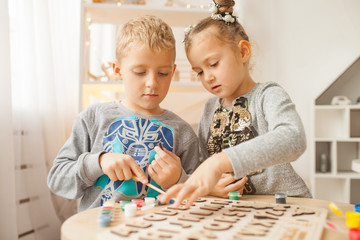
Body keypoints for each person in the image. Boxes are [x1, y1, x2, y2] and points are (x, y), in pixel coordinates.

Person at [160, 0, 311, 207]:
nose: (208, 77)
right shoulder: (209, 109)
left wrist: (219, 162)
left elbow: (293, 139)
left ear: (242, 52)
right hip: (237, 209)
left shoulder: (267, 95)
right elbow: (206, 168)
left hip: (285, 204)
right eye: (200, 72)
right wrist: (214, 185)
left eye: (213, 64)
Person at [47, 15, 200, 211]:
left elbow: (199, 196)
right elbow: (57, 180)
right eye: (139, 72)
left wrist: (178, 179)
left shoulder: (183, 133)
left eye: (163, 73)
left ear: (173, 70)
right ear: (118, 70)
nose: (152, 82)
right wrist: (99, 161)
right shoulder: (93, 119)